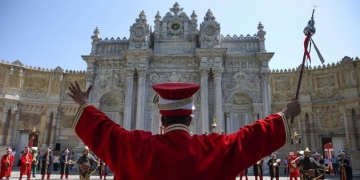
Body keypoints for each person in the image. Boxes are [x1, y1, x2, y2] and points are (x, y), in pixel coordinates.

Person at [68, 81, 301, 180]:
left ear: (161, 116)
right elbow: (250, 137)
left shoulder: (136, 146)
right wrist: (285, 114)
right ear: (191, 118)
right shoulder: (215, 148)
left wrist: (84, 104)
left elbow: (107, 131)